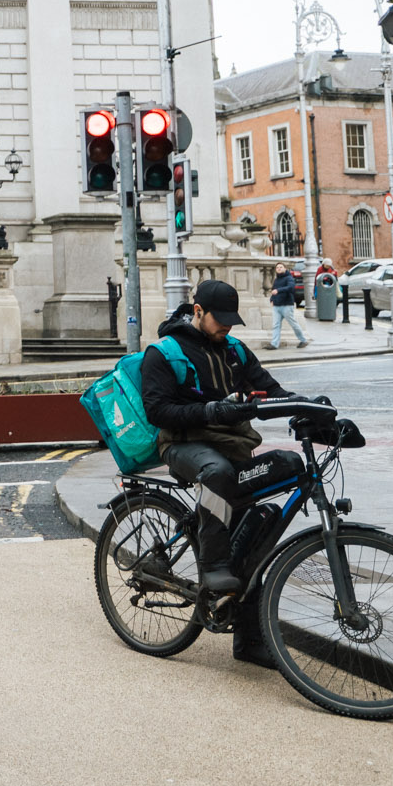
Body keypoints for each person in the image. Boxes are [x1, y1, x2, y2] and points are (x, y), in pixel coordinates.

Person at [139, 281, 291, 667]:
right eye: (219, 319)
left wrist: (311, 410)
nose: (227, 327)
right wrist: (210, 411)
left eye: (231, 320)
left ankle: (250, 642)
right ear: (198, 311)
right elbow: (158, 412)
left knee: (255, 538)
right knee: (217, 472)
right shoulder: (164, 353)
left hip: (231, 443)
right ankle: (213, 567)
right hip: (182, 444)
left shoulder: (236, 351)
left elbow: (270, 390)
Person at [268, 262, 309, 350]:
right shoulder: (276, 280)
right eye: (277, 267)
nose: (279, 269)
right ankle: (274, 344)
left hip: (286, 305)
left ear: (285, 268)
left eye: (281, 267)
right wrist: (271, 299)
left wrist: (278, 290)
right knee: (276, 325)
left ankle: (303, 340)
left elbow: (291, 287)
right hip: (277, 306)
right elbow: (273, 290)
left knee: (293, 323)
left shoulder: (289, 278)